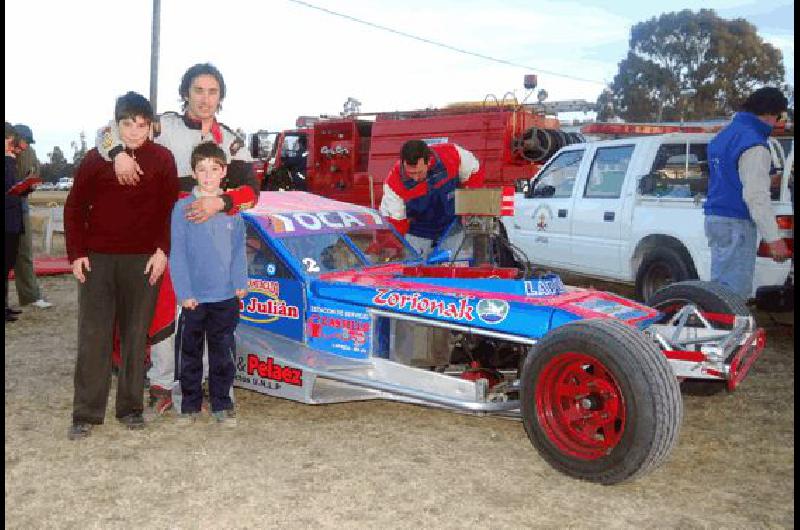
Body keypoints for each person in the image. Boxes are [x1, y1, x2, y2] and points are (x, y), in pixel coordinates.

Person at [95, 62, 258, 414]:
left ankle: (196, 384)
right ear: (185, 93)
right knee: (167, 311)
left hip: (211, 241)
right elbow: (107, 131)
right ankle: (162, 383)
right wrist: (117, 154)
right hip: (164, 233)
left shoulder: (230, 140)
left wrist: (222, 201)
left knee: (203, 308)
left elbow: (252, 192)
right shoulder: (164, 126)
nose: (205, 98)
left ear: (221, 97)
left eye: (212, 91)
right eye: (198, 90)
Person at [66, 92, 179, 440]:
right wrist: (77, 253)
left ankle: (130, 408)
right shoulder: (95, 159)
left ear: (151, 126)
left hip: (144, 261)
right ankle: (85, 413)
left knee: (135, 337)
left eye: (141, 125)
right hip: (98, 261)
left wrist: (163, 250)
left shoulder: (162, 159)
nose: (134, 132)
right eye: (127, 124)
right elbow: (74, 207)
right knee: (94, 337)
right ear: (117, 124)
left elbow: (168, 209)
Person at [170, 142, 247, 425]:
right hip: (194, 298)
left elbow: (239, 249)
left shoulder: (232, 211)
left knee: (222, 353)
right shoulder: (182, 209)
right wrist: (184, 292)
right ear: (193, 173)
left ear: (224, 172)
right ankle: (189, 404)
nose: (208, 175)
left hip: (225, 296)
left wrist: (240, 281)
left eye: (214, 169)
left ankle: (221, 404)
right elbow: (177, 252)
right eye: (202, 170)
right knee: (189, 353)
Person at [704, 87, 790, 299]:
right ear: (770, 114)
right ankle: (730, 329)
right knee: (734, 293)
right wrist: (774, 239)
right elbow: (755, 196)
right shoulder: (754, 145)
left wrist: (772, 179)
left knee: (721, 285)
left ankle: (719, 325)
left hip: (716, 219)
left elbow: (732, 177)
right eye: (779, 117)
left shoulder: (724, 136)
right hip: (737, 223)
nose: (778, 123)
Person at [379, 140, 484, 258]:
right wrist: (393, 246)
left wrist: (468, 208)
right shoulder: (393, 183)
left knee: (456, 270)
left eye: (419, 172)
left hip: (452, 228)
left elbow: (474, 173)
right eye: (410, 173)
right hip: (418, 233)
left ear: (428, 161)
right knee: (414, 271)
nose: (415, 178)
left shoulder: (453, 154)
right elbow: (396, 222)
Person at [11, 124, 52, 312]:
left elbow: (34, 173)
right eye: (24, 141)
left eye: (29, 143)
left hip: (20, 206)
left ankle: (30, 296)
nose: (26, 146)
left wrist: (31, 183)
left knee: (24, 254)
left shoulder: (29, 152)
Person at [5, 123, 24, 323]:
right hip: (7, 221)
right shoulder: (7, 162)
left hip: (12, 222)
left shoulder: (10, 161)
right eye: (8, 140)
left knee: (8, 265)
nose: (11, 145)